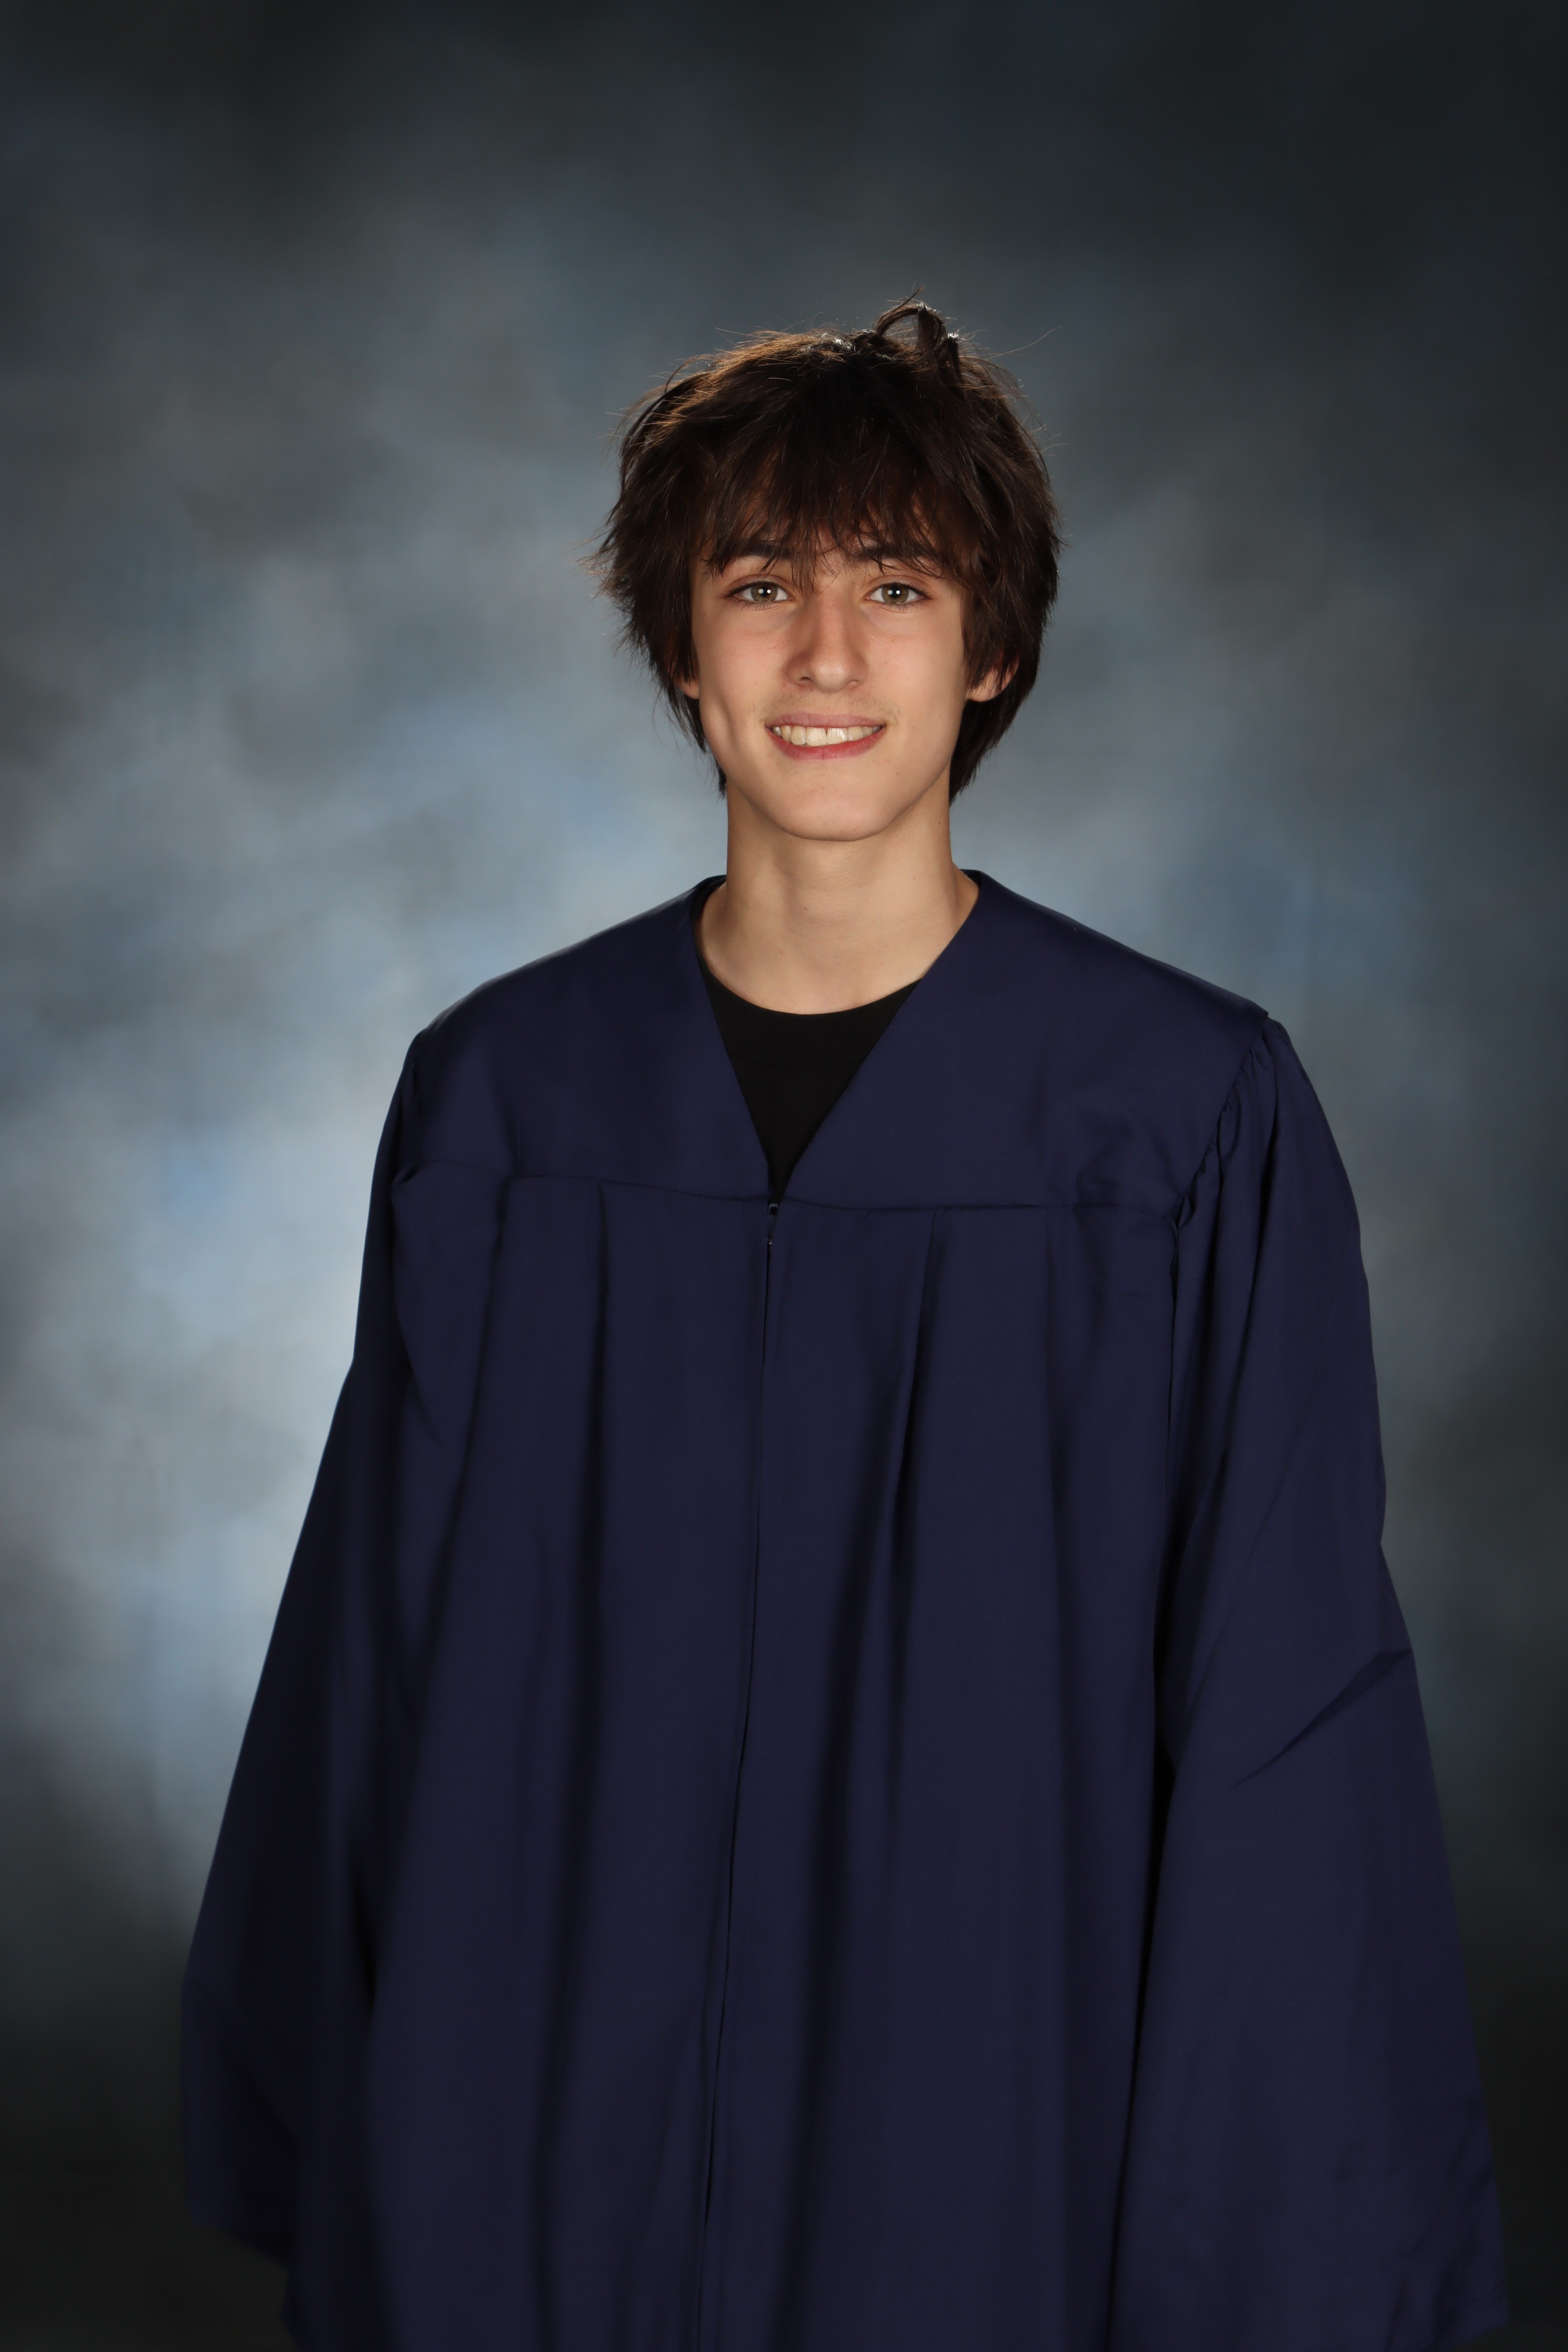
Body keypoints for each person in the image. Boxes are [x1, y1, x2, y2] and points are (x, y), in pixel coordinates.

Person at [183, 300, 1508, 2352]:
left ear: (990, 650)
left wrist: (1265, 2230)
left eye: (895, 586)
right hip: (546, 2081)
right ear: (680, 647)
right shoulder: (505, 1106)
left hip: (990, 2087)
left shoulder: (1176, 1119)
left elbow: (1280, 1690)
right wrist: (337, 2107)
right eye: (757, 586)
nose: (822, 655)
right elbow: (374, 1650)